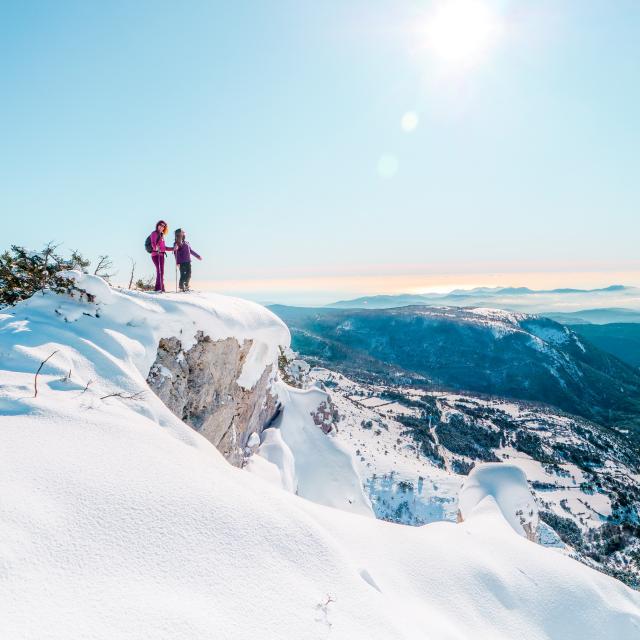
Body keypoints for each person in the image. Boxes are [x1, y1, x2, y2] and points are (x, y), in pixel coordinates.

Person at [150, 220, 172, 292]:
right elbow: (153, 243)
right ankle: (158, 288)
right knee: (159, 271)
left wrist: (173, 249)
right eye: (160, 225)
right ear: (157, 225)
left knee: (161, 271)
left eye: (163, 226)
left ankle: (161, 288)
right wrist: (156, 247)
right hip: (156, 255)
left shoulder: (162, 235)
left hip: (161, 255)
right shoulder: (154, 233)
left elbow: (164, 248)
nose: (162, 227)